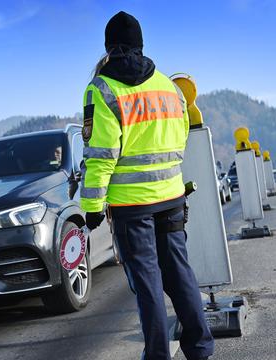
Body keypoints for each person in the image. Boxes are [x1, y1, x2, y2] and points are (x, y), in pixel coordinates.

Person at [80, 11, 214, 360]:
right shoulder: (168, 86)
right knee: (180, 275)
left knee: (148, 285)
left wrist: (93, 207)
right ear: (141, 45)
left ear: (109, 47)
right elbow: (181, 134)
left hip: (131, 207)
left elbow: (101, 155)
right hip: (171, 197)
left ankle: (158, 355)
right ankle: (200, 350)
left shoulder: (102, 88)